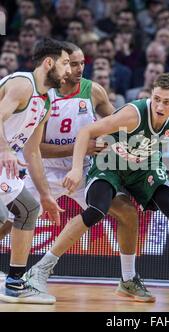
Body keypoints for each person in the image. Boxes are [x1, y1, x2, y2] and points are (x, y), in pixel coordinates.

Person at [26, 73, 169, 305]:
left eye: (167, 101)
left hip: (144, 166)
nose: (160, 106)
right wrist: (75, 169)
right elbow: (86, 132)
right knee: (96, 210)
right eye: (156, 99)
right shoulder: (132, 115)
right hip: (110, 162)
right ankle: (41, 269)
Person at [2, 43, 153, 303]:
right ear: (55, 63)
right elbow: (37, 150)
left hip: (80, 170)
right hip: (46, 168)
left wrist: (146, 136)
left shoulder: (91, 91)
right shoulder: (37, 90)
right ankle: (19, 279)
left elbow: (122, 125)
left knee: (127, 211)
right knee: (10, 219)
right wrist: (79, 149)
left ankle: (128, 279)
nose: (78, 68)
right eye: (71, 63)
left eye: (82, 62)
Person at [0, 38, 72, 304]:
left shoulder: (45, 102)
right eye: (65, 63)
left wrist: (45, 195)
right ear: (49, 62)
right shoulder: (22, 84)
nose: (69, 70)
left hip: (3, 161)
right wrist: (6, 149)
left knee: (29, 209)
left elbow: (32, 152)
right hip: (1, 155)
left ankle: (14, 282)